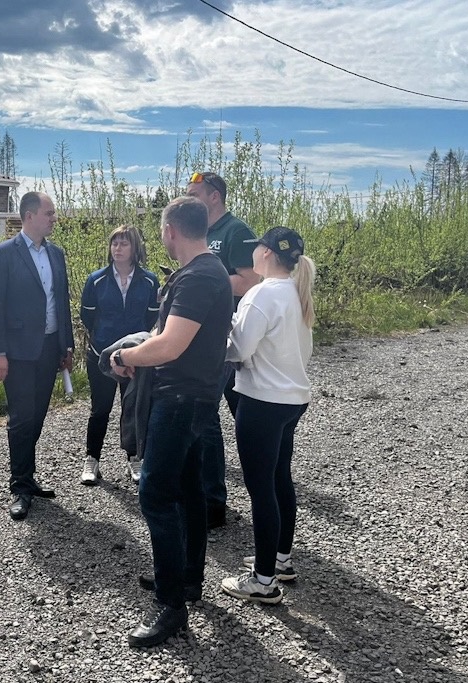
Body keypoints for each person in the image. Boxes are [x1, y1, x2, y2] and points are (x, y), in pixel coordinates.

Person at [110, 197, 232, 648]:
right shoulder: (205, 271)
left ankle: (170, 605)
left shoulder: (199, 275)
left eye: (162, 230)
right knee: (190, 492)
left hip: (181, 399)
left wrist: (123, 356)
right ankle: (188, 581)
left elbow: (170, 346)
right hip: (194, 396)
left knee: (156, 495)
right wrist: (142, 350)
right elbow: (165, 338)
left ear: (170, 231)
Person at [220, 226, 316, 604]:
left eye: (256, 247)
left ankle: (262, 581)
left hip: (262, 401)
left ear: (266, 253)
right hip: (292, 399)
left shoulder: (260, 294)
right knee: (279, 479)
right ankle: (280, 558)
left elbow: (239, 350)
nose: (252, 254)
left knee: (260, 489)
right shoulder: (297, 291)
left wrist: (223, 332)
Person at [0, 191, 75, 521]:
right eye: (49, 213)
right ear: (30, 216)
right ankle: (20, 486)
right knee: (21, 419)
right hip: (18, 353)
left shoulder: (57, 254)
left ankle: (28, 476)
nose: (54, 218)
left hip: (49, 348)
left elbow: (61, 302)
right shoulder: (3, 254)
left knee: (36, 416)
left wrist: (67, 346)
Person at [185, 171, 258, 529]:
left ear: (214, 196)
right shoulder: (201, 233)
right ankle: (220, 494)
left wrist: (202, 280)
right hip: (201, 334)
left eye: (194, 193)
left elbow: (250, 280)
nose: (188, 198)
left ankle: (215, 501)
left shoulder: (236, 231)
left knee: (216, 417)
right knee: (223, 413)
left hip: (228, 336)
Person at [78, 225, 160, 485]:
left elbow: (152, 317)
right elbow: (87, 316)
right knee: (99, 409)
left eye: (124, 244)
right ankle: (92, 460)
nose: (118, 249)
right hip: (101, 354)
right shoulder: (96, 280)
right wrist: (105, 341)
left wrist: (134, 348)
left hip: (135, 356)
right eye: (114, 244)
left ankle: (135, 459)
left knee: (133, 408)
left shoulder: (149, 280)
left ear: (135, 248)